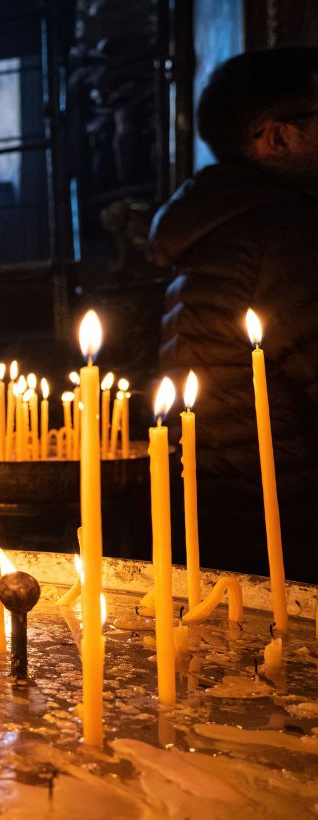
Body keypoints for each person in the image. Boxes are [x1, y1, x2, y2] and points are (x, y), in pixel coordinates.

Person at [150, 47, 318, 583]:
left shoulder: (219, 226)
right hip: (293, 529)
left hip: (229, 515)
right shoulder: (288, 234)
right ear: (278, 138)